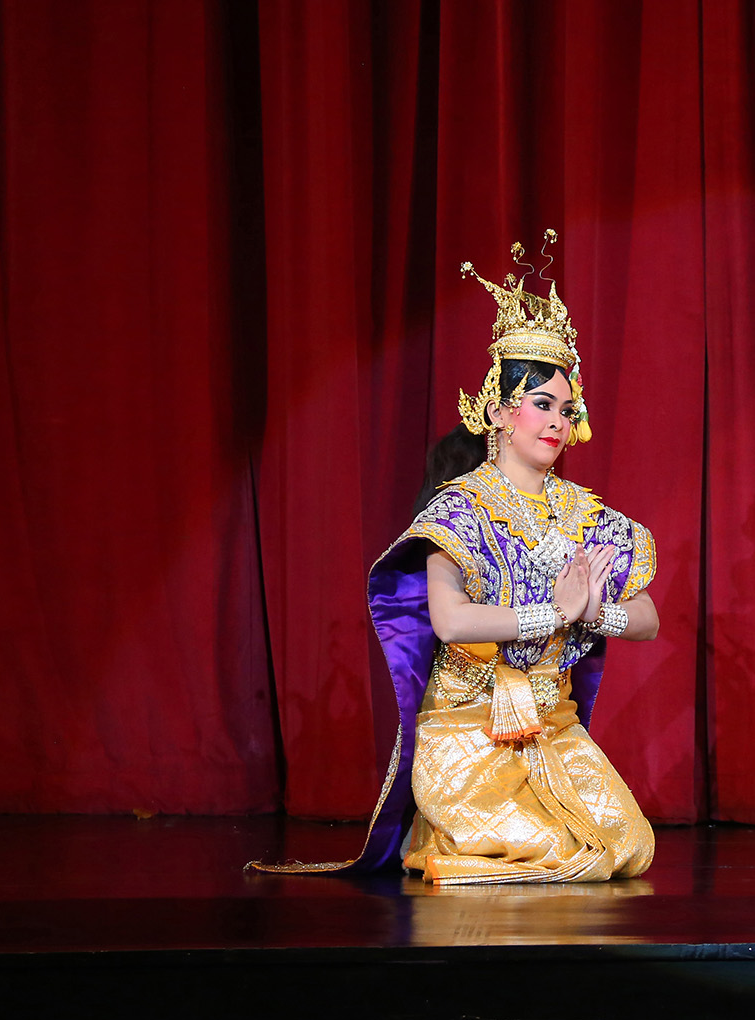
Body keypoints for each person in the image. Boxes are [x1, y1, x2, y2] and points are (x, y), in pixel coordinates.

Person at [253, 234, 658, 884]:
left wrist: (595, 613)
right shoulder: (459, 507)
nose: (557, 422)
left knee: (629, 847)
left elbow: (648, 618)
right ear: (499, 410)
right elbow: (450, 620)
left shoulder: (583, 511)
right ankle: (443, 835)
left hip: (554, 730)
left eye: (567, 409)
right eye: (542, 405)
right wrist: (553, 613)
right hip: (469, 731)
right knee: (549, 851)